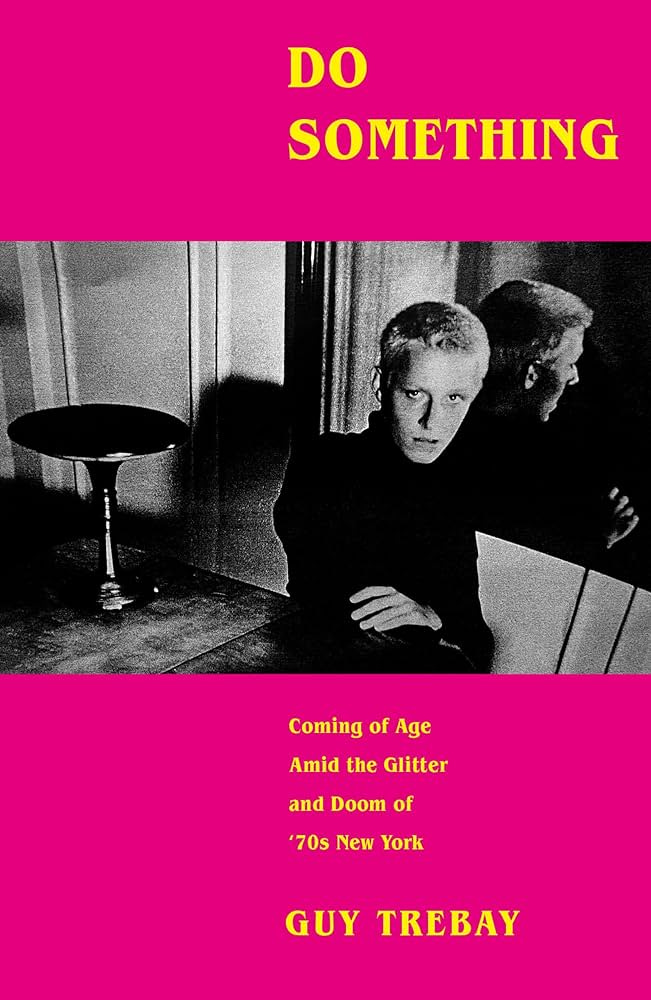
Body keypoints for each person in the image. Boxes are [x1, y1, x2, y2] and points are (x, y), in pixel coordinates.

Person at [274, 301, 494, 672]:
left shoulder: (451, 485)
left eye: (454, 398)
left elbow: (478, 641)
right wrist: (436, 621)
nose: (432, 421)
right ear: (381, 384)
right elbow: (334, 607)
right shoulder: (326, 462)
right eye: (415, 394)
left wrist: (434, 618)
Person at [459, 278, 639, 560]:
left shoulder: (454, 428)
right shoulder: (526, 467)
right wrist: (597, 540)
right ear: (532, 374)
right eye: (570, 364)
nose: (574, 377)